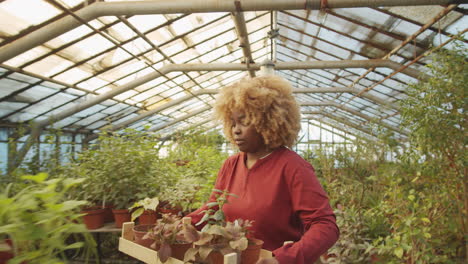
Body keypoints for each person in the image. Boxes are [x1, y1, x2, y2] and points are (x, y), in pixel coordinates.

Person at [188, 75, 339, 264]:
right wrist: (183, 224)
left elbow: (325, 226)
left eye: (244, 121)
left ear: (267, 121)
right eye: (233, 122)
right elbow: (213, 208)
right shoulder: (231, 164)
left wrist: (282, 259)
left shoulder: (292, 167)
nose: (236, 130)